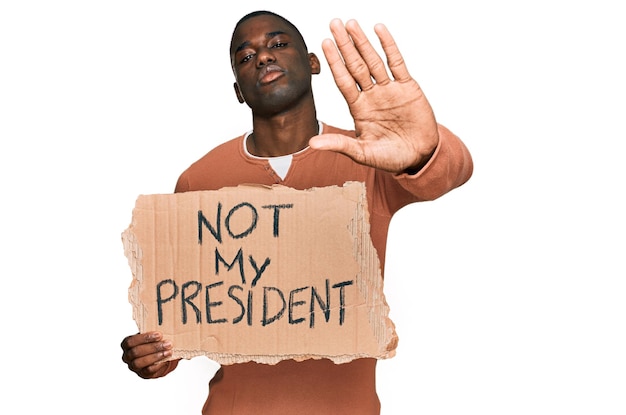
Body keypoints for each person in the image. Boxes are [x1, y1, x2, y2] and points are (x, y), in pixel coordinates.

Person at [121, 10, 473, 415]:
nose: (263, 58)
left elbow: (453, 172)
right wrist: (153, 356)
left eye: (277, 44)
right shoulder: (197, 181)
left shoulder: (370, 155)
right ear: (238, 89)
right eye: (246, 56)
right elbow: (187, 318)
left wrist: (421, 148)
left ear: (312, 63)